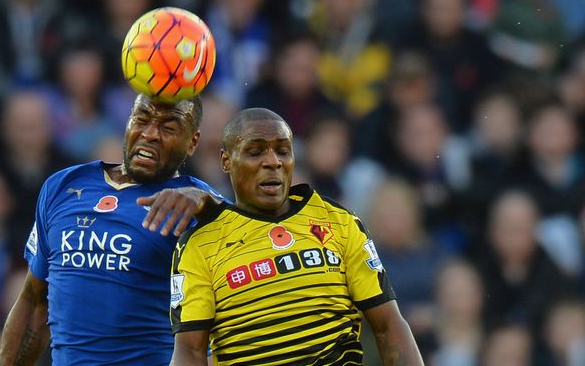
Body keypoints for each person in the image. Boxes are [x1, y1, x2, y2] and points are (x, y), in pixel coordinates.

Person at [166, 108, 423, 365]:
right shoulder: (200, 245)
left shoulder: (339, 222)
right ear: (226, 161)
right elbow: (190, 351)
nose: (273, 162)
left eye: (283, 151)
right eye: (256, 152)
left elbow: (388, 324)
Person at [0, 94, 221, 365]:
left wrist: (209, 202)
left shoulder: (195, 206)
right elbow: (34, 303)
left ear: (192, 142)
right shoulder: (62, 186)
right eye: (142, 118)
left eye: (169, 127)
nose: (150, 134)